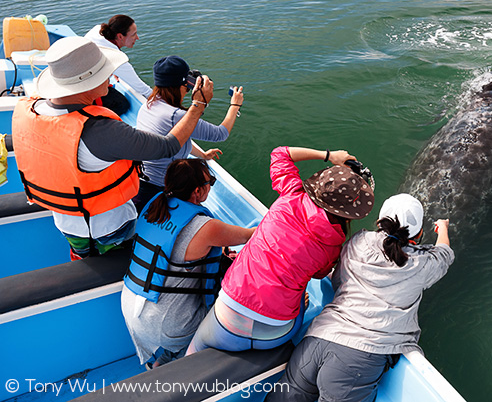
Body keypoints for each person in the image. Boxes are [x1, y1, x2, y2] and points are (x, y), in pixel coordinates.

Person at [12, 36, 214, 260]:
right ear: (87, 83)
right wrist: (197, 106)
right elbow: (167, 146)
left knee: (82, 252)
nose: (110, 78)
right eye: (105, 73)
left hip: (66, 221)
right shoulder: (100, 131)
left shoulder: (31, 108)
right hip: (110, 228)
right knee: (130, 255)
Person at [266, 193, 455, 402]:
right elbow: (444, 254)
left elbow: (338, 280)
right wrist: (443, 228)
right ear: (418, 233)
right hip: (357, 358)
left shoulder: (358, 241)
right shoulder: (423, 264)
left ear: (380, 222)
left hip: (317, 340)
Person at [186, 146, 375, 354]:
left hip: (229, 314)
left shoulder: (291, 193)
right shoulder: (333, 247)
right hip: (274, 331)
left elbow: (280, 153)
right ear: (349, 214)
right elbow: (320, 274)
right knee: (300, 287)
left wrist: (329, 156)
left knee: (195, 348)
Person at [121, 158, 255, 369]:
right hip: (164, 323)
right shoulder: (205, 227)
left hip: (131, 306)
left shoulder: (155, 205)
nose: (210, 185)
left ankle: (160, 360)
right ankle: (178, 365)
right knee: (227, 316)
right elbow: (250, 236)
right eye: (210, 182)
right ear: (197, 192)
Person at [132, 55, 244, 212]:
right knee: (205, 178)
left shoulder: (149, 105)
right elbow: (221, 134)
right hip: (161, 186)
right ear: (184, 84)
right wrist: (235, 105)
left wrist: (202, 154)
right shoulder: (176, 115)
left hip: (141, 179)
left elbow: (176, 138)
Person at [85, 14, 152, 98]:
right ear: (120, 36)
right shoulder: (118, 61)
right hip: (84, 92)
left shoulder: (97, 30)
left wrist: (113, 69)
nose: (137, 38)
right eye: (133, 34)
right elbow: (143, 90)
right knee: (121, 105)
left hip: (78, 75)